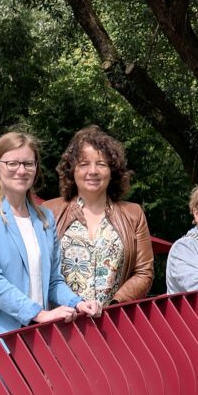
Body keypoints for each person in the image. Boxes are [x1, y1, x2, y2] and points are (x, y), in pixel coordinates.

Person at [0, 131, 100, 347]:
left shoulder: (44, 217)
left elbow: (53, 282)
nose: (21, 170)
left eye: (28, 164)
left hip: (32, 341)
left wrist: (77, 303)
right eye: (12, 163)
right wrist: (39, 314)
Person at [43, 126, 154, 305]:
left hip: (113, 323)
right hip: (61, 323)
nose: (92, 171)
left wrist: (115, 305)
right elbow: (40, 271)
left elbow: (144, 272)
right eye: (84, 164)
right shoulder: (50, 211)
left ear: (112, 171)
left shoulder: (133, 214)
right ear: (72, 170)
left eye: (101, 164)